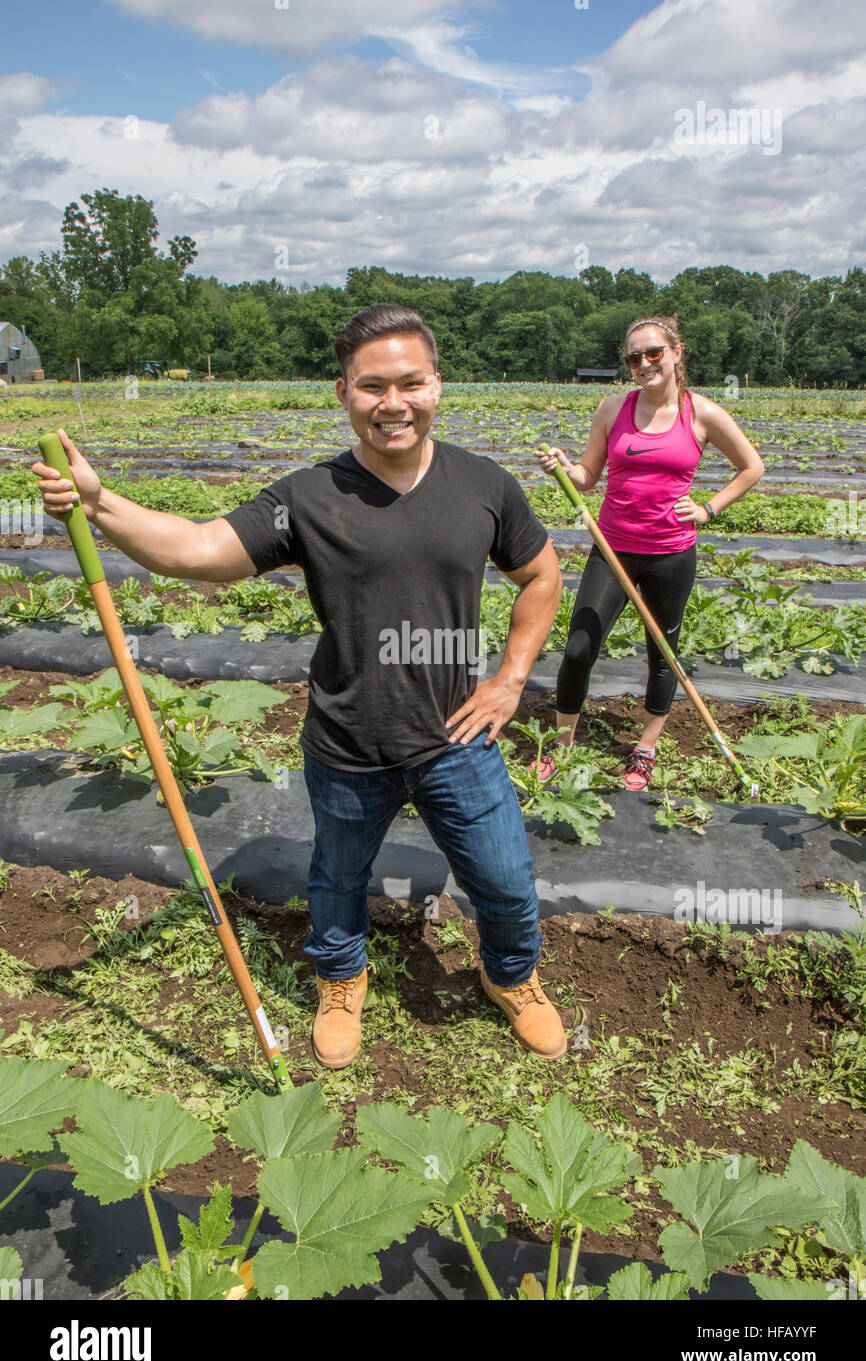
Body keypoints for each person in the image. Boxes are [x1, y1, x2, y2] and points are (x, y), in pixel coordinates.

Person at [32, 304, 568, 1068]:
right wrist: (99, 502)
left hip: (457, 737)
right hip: (348, 739)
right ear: (344, 392)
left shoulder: (484, 485)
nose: (393, 403)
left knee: (508, 882)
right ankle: (341, 977)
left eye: (410, 383)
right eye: (372, 386)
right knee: (338, 879)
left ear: (437, 385)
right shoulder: (310, 496)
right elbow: (196, 548)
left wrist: (512, 680)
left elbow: (541, 574)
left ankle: (512, 976)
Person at [534, 314, 764, 790]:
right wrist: (563, 466)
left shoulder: (701, 413)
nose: (643, 363)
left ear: (676, 352)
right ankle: (562, 744)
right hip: (612, 548)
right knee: (579, 649)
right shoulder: (612, 408)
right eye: (633, 357)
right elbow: (587, 477)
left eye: (653, 353)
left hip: (670, 554)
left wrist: (708, 509)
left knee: (663, 654)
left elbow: (751, 466)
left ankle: (645, 749)